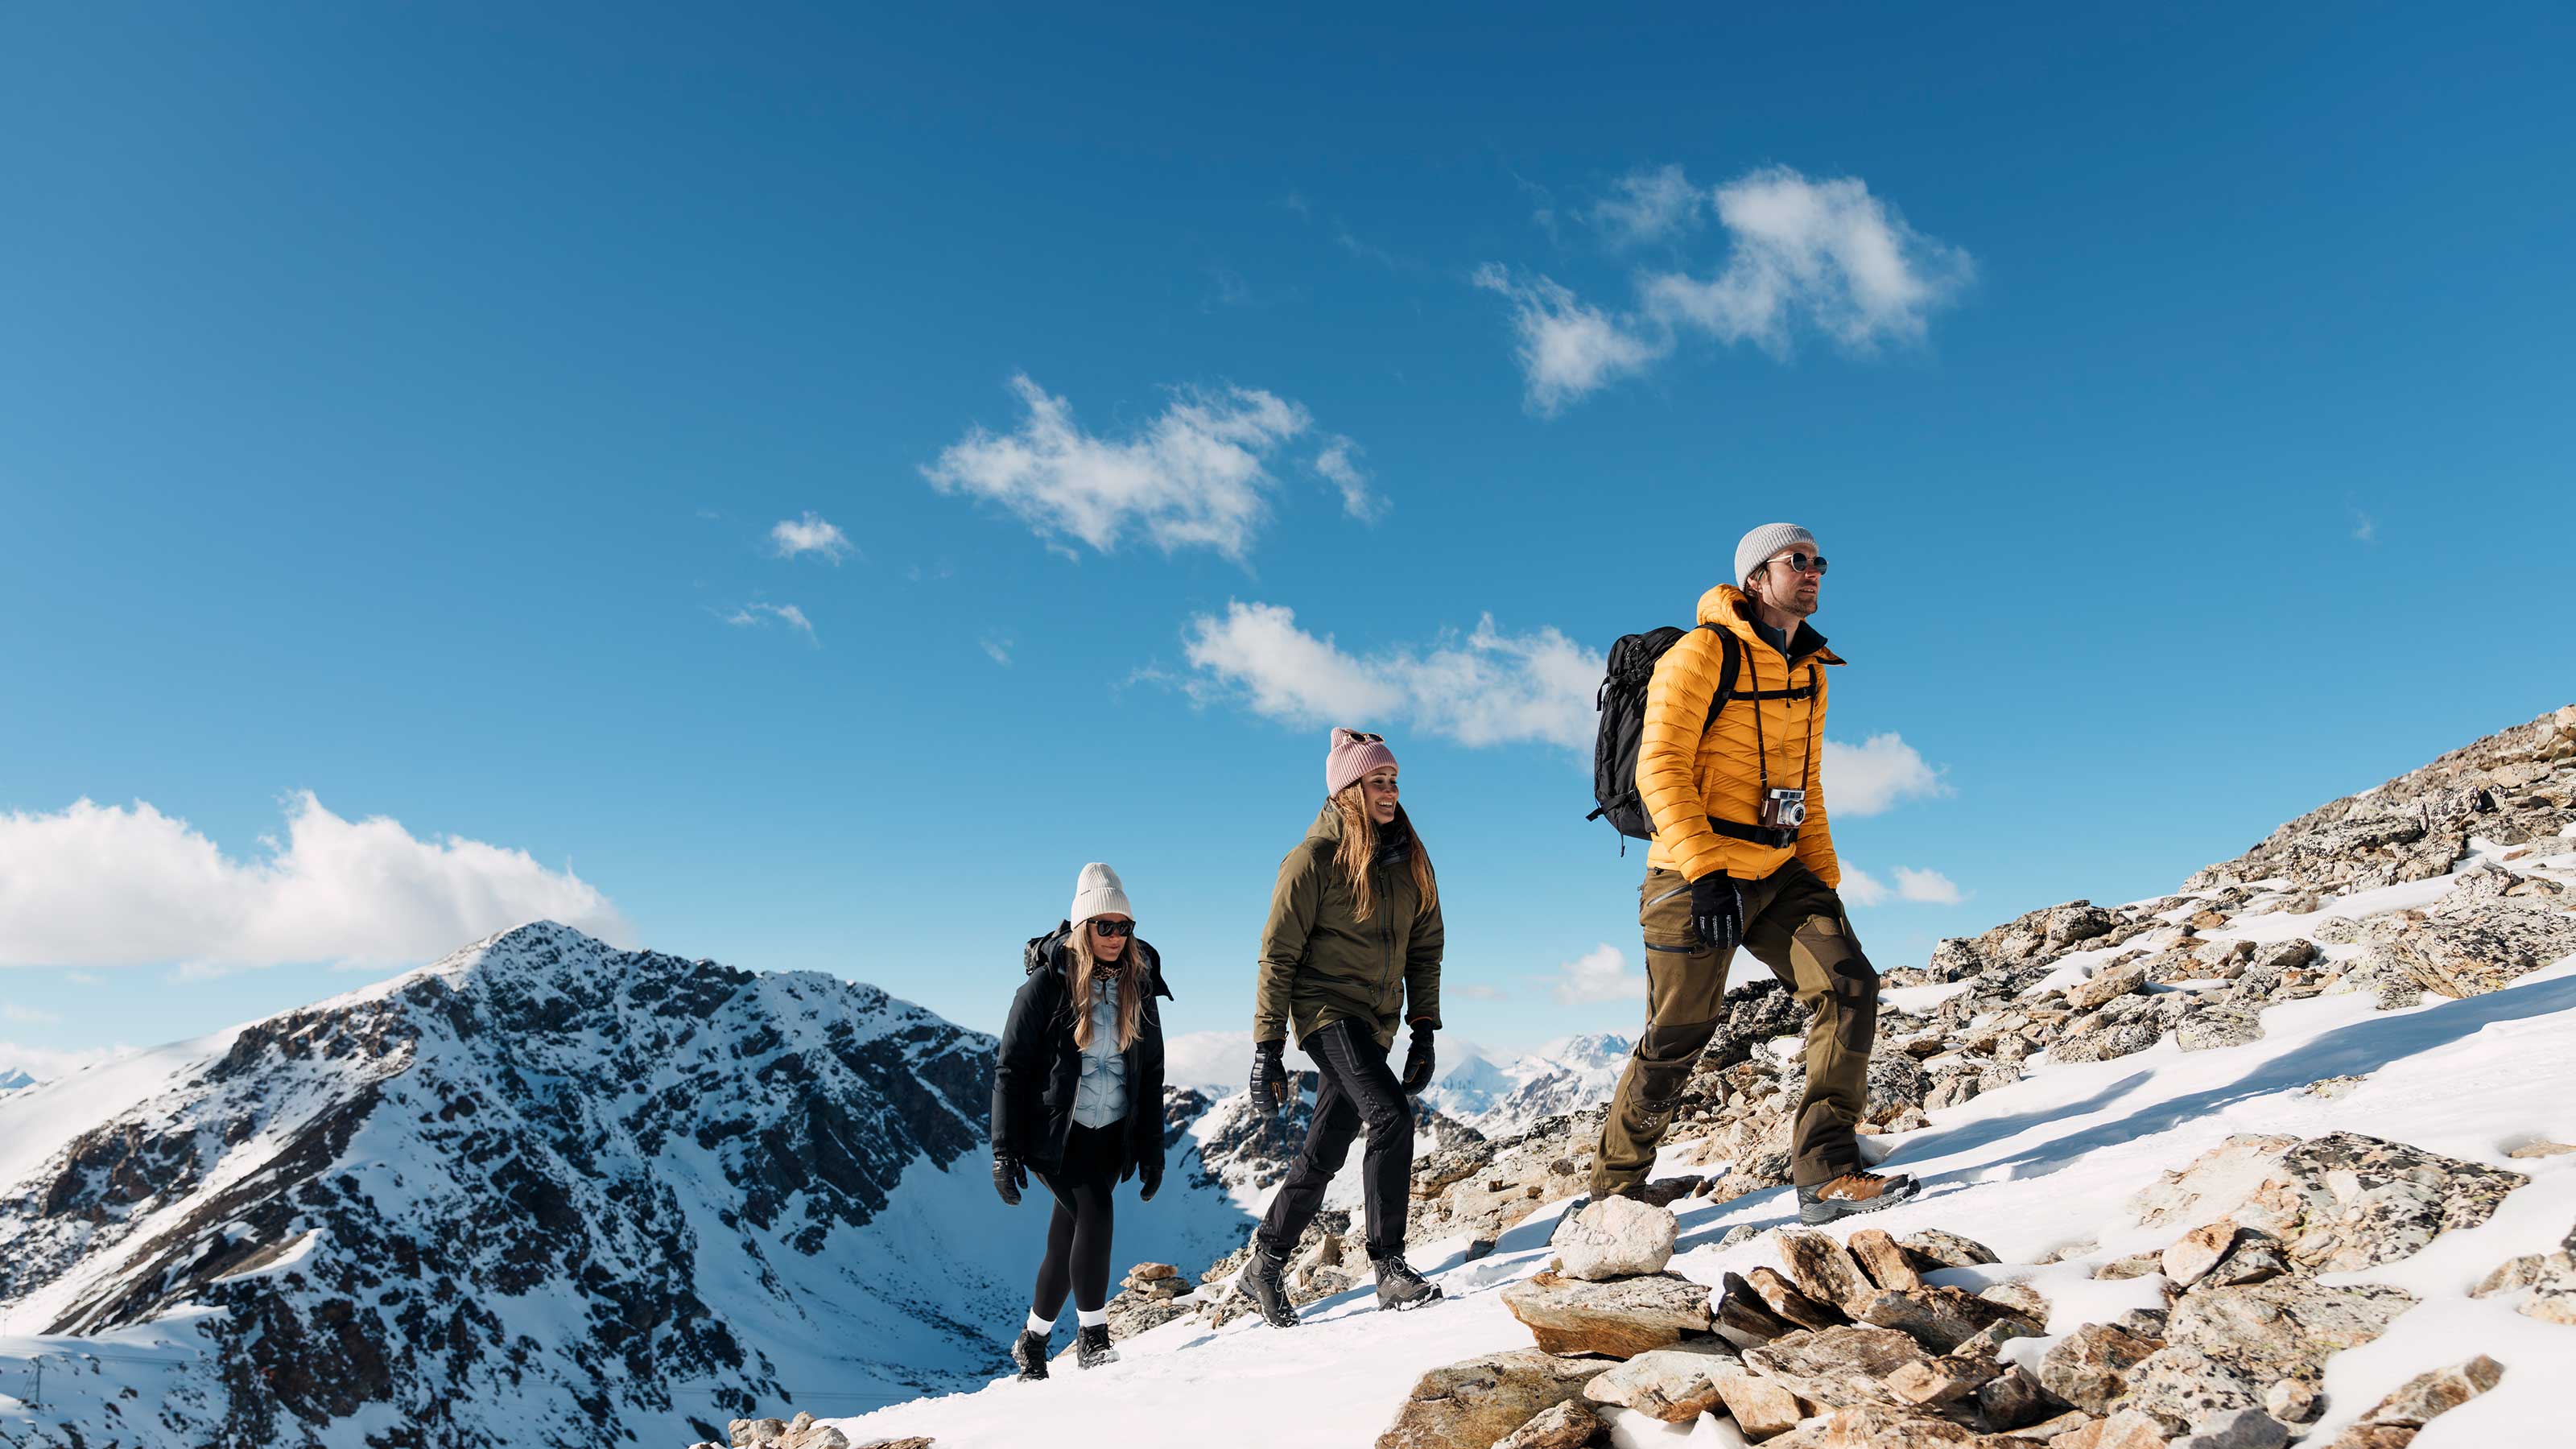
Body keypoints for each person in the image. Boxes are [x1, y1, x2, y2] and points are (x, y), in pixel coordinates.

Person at [1592, 523, 1921, 1224]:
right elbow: (1660, 769)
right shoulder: (1702, 652)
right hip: (1692, 872)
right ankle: (1615, 1194)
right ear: (1754, 579)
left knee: (1849, 983)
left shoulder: (1809, 670)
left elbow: (1810, 786)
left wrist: (1823, 879)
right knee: (1681, 1031)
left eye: (1818, 562)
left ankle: (1827, 1171)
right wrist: (1705, 869)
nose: (1812, 572)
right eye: (1795, 561)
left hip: (1779, 866)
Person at [1237, 728, 1445, 1327]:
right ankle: (1388, 1268)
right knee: (1391, 1115)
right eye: (1378, 780)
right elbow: (1277, 953)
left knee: (1324, 1148)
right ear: (1349, 789)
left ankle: (1266, 1265)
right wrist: (1267, 1047)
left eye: (1394, 780)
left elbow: (1426, 947)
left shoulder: (1408, 857)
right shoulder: (1312, 860)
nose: (1391, 791)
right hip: (1326, 1011)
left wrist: (1424, 1027)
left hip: (1376, 1021)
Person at [990, 862, 1170, 1377]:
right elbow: (1010, 1069)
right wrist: (1003, 1151)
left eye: (1124, 926)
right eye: (1104, 925)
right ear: (1081, 927)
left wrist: (1152, 1149)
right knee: (1095, 1214)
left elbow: (1151, 1072)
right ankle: (1094, 1338)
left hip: (1110, 1135)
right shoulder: (1045, 988)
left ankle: (1032, 1341)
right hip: (1054, 1135)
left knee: (1065, 1237)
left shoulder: (1140, 983)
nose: (1115, 936)